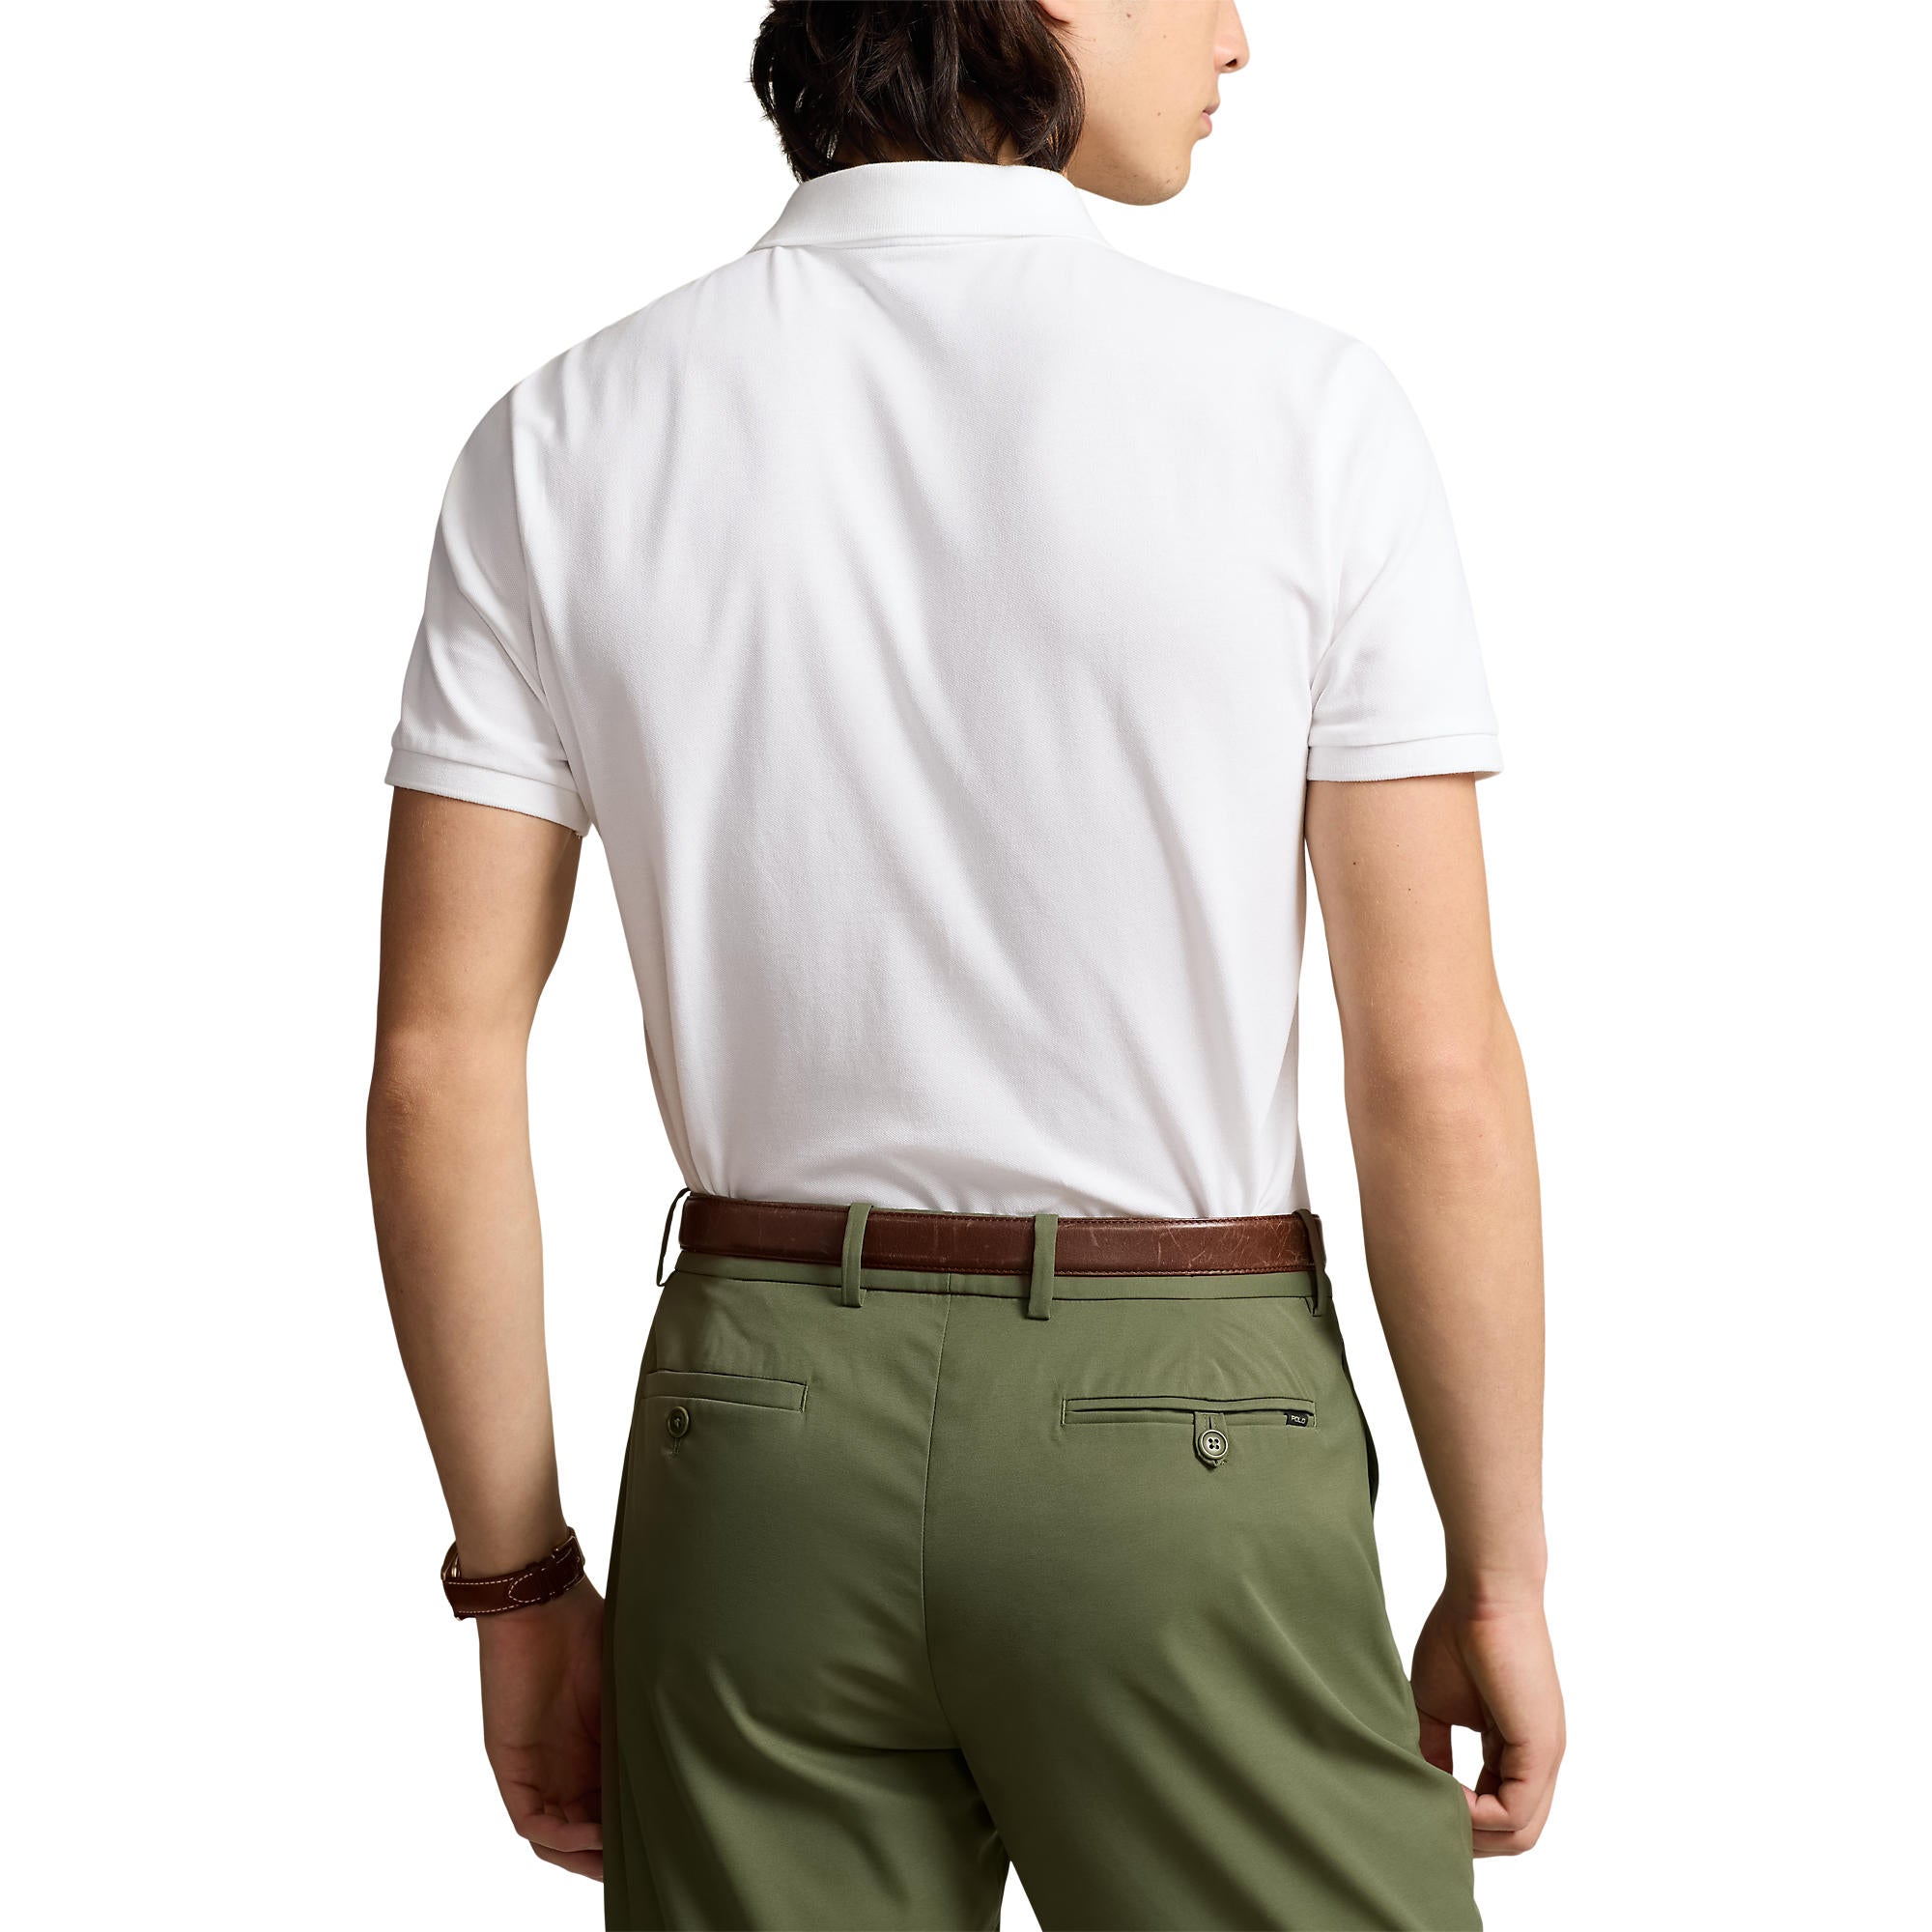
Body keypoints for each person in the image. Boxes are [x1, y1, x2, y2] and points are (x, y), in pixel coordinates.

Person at [366, 1, 1564, 1925]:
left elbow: (438, 1061)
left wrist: (515, 1586)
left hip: (758, 1446)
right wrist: (1498, 1569)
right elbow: (1432, 1074)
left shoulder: (564, 435)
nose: (1238, 35)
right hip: (1184, 1432)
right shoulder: (1307, 414)